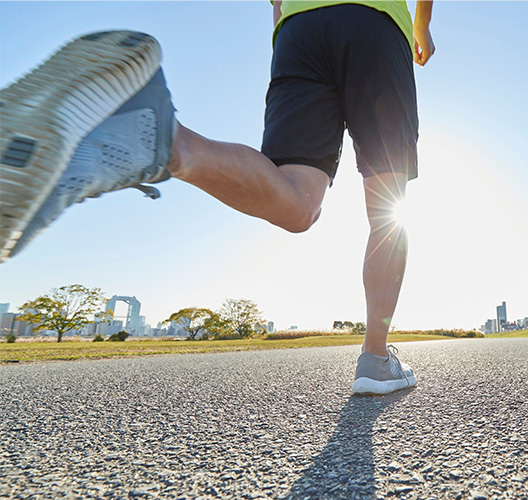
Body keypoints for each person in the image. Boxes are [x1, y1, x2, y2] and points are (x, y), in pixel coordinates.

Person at [0, 1, 434, 395]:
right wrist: (422, 25)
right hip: (374, 22)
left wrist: (289, 32)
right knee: (387, 210)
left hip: (297, 31)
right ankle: (376, 359)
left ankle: (165, 140)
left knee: (298, 203)